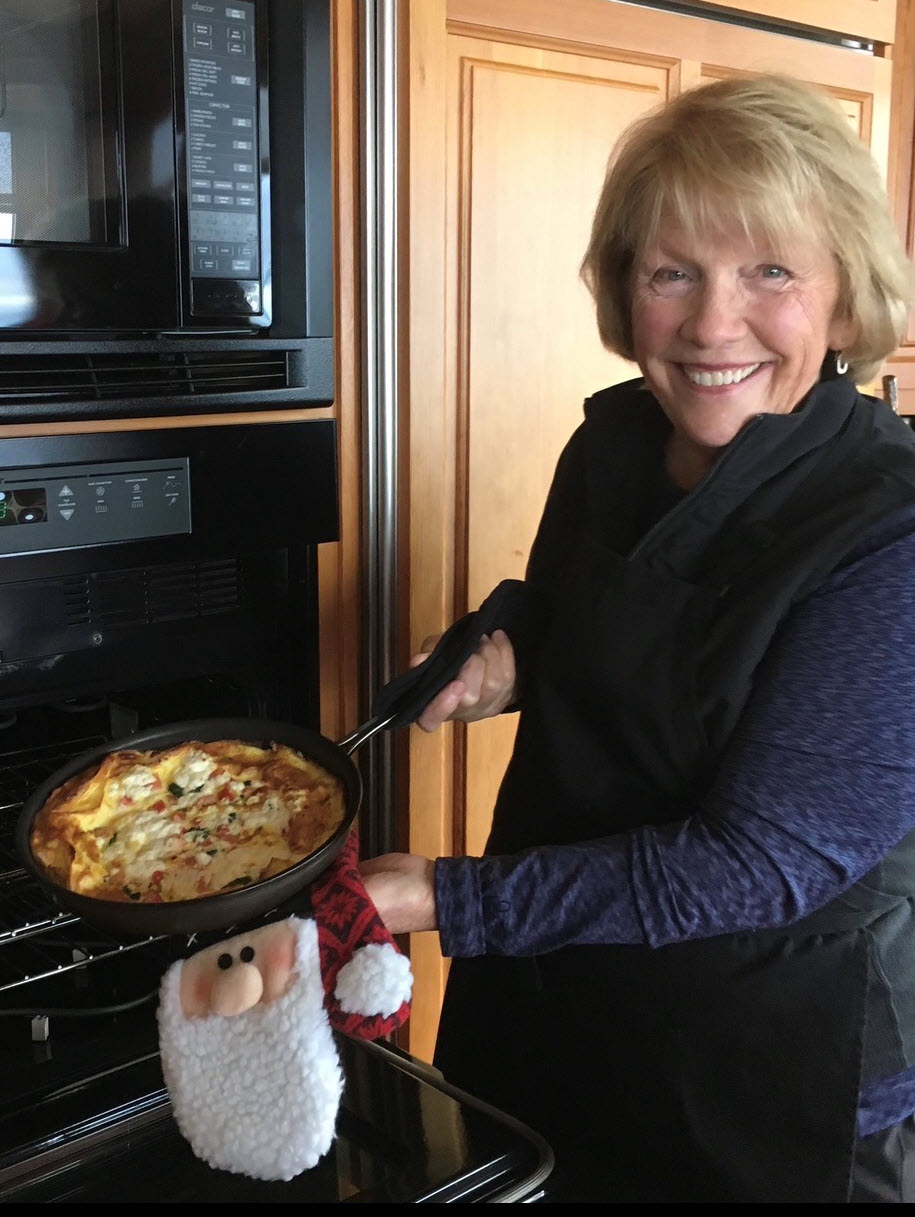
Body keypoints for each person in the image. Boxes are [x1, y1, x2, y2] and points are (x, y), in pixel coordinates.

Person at [359, 73, 915, 1203]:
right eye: (673, 271)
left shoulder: (887, 531)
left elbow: (760, 864)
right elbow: (587, 623)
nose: (714, 323)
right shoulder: (614, 443)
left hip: (764, 1056)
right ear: (625, 290)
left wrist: (443, 899)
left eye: (771, 270)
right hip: (556, 1003)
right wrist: (507, 663)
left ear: (847, 299)